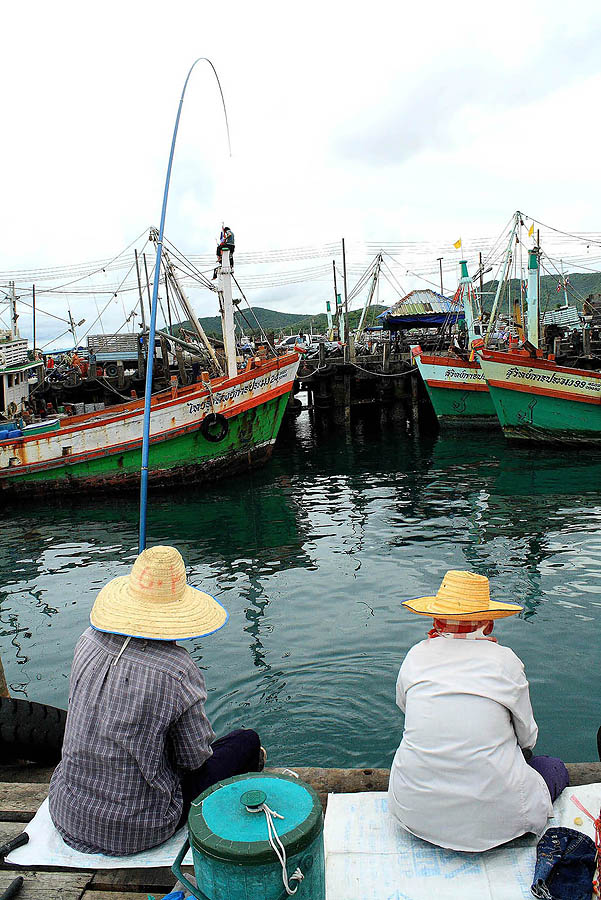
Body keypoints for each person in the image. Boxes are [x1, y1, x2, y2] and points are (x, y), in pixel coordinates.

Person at [49, 545, 264, 856]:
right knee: (246, 742)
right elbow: (194, 760)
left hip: (68, 810)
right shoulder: (175, 670)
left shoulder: (87, 640)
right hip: (138, 828)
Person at [388, 569, 569, 853]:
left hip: (414, 812)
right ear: (489, 625)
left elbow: (405, 707)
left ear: (436, 619)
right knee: (552, 767)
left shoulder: (416, 656)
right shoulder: (504, 661)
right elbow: (528, 738)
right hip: (496, 822)